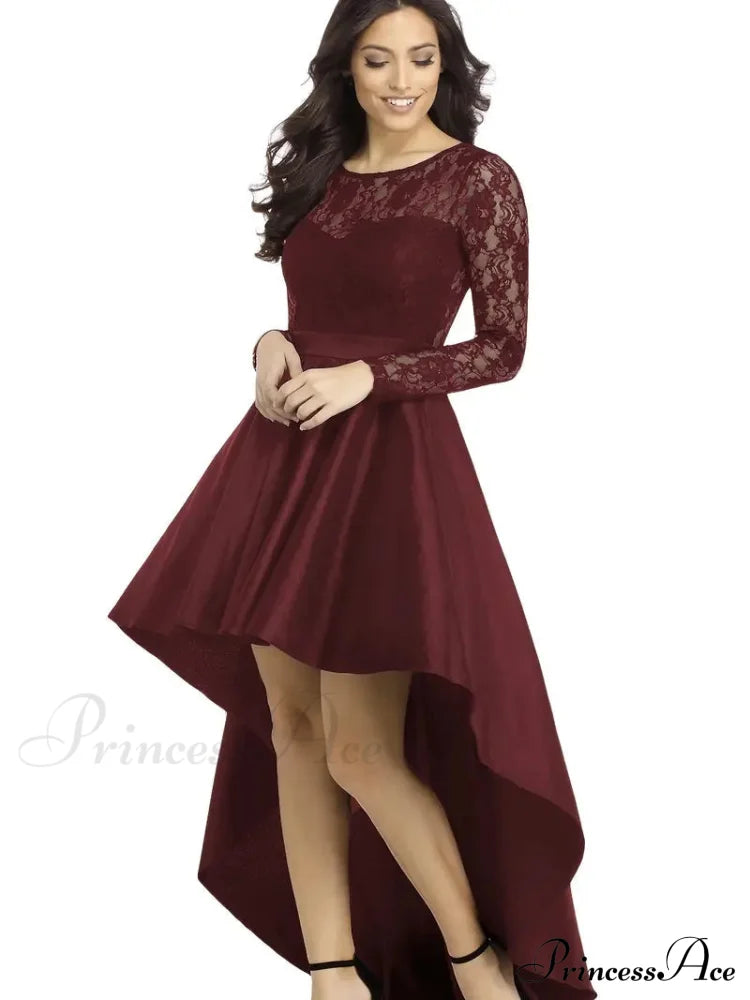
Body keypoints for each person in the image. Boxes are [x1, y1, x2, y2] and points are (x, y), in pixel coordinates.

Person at [108, 2, 596, 999]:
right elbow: (309, 315)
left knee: (362, 749)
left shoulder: (479, 180)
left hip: (386, 472)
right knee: (292, 731)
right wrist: (268, 346)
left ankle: (478, 967)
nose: (402, 80)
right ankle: (333, 975)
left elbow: (502, 348)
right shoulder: (320, 169)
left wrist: (371, 377)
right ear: (347, 68)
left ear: (447, 66)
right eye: (379, 60)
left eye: (422, 58)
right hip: (283, 460)